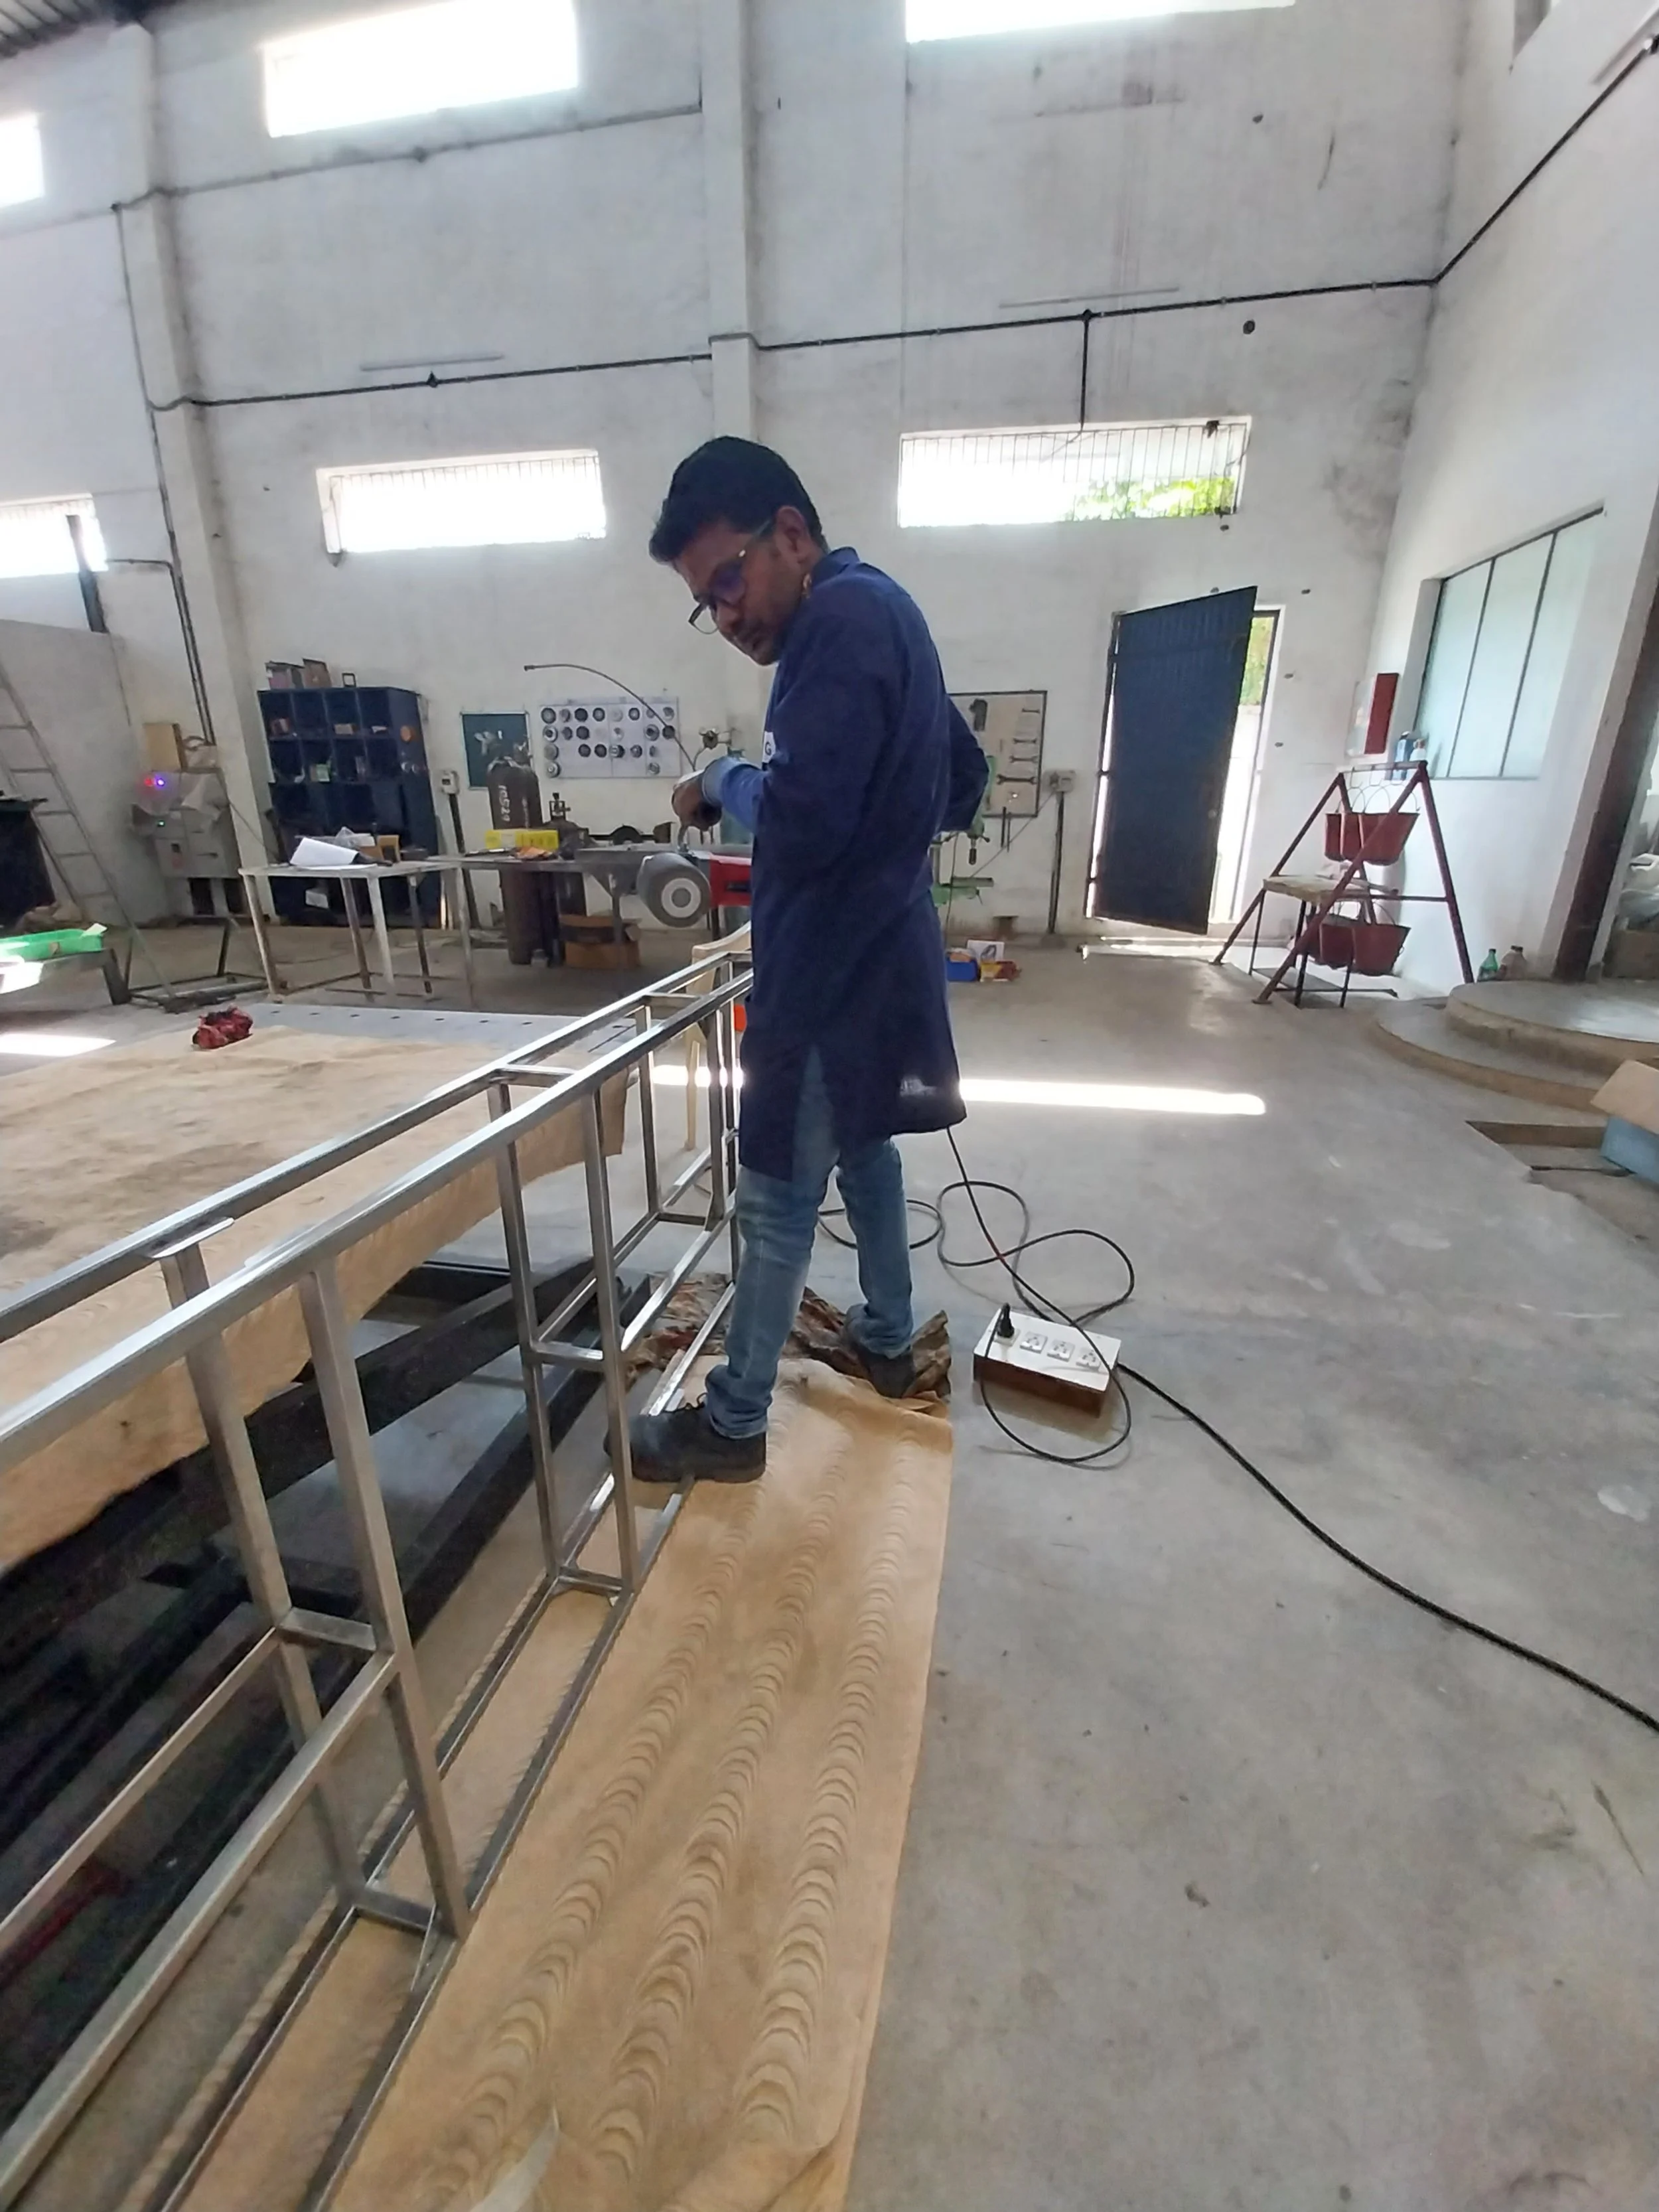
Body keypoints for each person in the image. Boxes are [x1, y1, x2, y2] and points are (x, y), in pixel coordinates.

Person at [629, 436, 988, 1482]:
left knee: (779, 1192)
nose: (728, 615)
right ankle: (885, 1336)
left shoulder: (831, 626)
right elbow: (960, 778)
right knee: (870, 1150)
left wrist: (719, 777)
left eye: (730, 581)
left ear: (791, 533)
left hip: (828, 978)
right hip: (888, 961)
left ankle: (733, 1424)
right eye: (708, 602)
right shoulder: (891, 608)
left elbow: (800, 821)